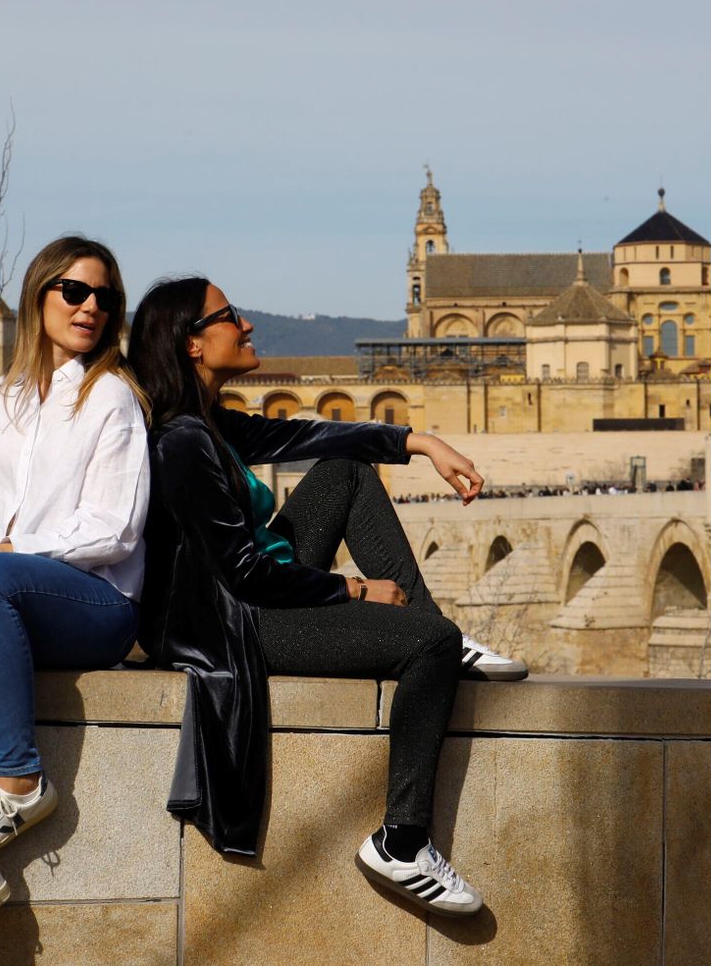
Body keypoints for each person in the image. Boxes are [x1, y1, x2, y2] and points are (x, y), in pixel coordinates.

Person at [127, 277, 527, 917]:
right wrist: (355, 588)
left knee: (345, 473)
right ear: (193, 345)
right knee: (431, 642)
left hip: (259, 597)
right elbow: (244, 574)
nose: (248, 324)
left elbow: (315, 441)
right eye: (229, 316)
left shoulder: (210, 425)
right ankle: (403, 841)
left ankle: (437, 635)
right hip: (240, 624)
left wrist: (418, 443)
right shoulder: (182, 443)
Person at [0, 236, 150, 947]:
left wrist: (2, 557)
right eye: (74, 292)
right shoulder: (4, 398)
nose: (90, 308)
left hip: (100, 604)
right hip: (6, 596)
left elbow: (115, 529)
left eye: (104, 297)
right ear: (38, 298)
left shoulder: (113, 396)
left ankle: (20, 780)